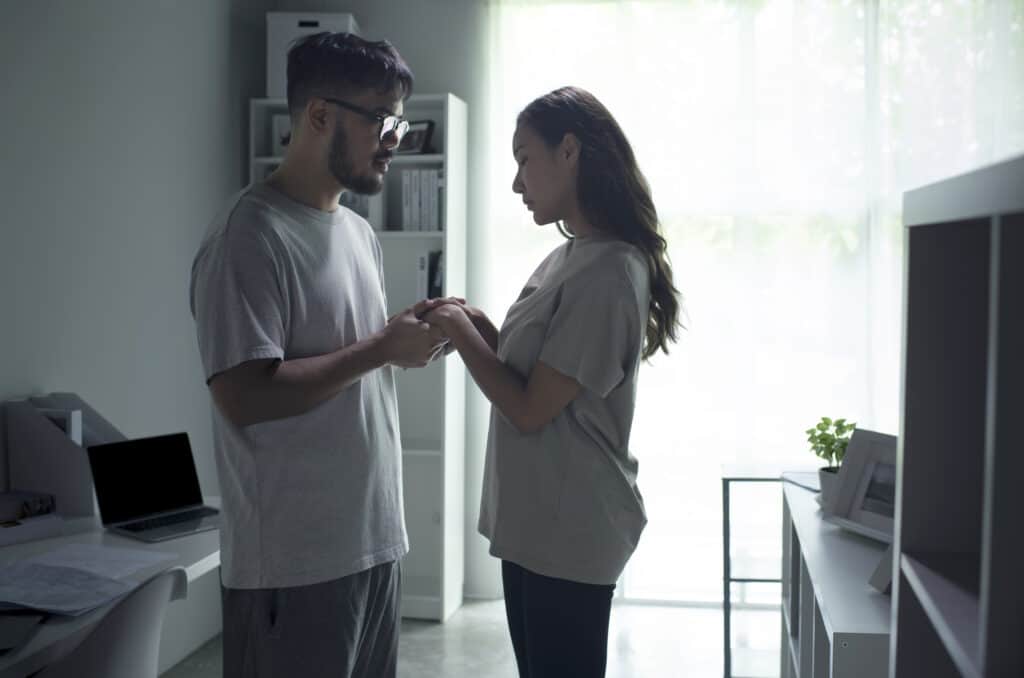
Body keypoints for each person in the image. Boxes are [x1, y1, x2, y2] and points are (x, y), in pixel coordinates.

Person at [189, 32, 449, 678]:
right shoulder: (249, 235)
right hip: (293, 566)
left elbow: (352, 355)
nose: (395, 138)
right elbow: (243, 395)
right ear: (319, 116)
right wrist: (379, 349)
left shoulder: (358, 233)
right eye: (382, 120)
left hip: (374, 546)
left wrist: (398, 340)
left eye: (401, 121)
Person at [422, 86, 681, 678]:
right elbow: (531, 368)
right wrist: (476, 322)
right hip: (540, 523)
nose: (517, 183)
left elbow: (532, 408)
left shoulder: (611, 268)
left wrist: (461, 331)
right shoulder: (573, 253)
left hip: (572, 529)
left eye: (523, 158)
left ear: (569, 151)